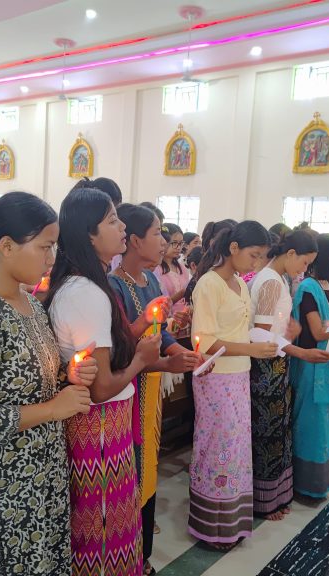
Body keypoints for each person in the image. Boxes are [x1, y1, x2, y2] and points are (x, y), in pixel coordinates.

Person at [0, 192, 97, 575]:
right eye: (45, 247)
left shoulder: (33, 306)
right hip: (3, 485)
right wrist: (52, 409)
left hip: (43, 471)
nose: (51, 258)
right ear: (7, 246)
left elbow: (30, 381)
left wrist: (67, 377)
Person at [46, 187, 161, 576]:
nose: (123, 225)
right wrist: (142, 361)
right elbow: (101, 386)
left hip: (105, 427)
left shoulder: (86, 286)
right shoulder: (85, 292)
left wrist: (141, 325)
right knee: (104, 531)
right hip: (98, 429)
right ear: (89, 235)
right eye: (112, 220)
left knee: (112, 527)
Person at [109, 204, 202, 575]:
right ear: (133, 241)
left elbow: (160, 331)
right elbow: (119, 343)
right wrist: (150, 330)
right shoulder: (114, 285)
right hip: (129, 385)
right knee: (132, 463)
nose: (163, 242)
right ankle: (129, 550)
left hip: (151, 388)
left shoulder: (150, 281)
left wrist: (180, 351)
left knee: (149, 462)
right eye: (157, 234)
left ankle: (142, 550)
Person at [189, 221, 278, 549]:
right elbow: (206, 342)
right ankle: (211, 526)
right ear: (234, 248)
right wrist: (253, 349)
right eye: (253, 255)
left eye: (261, 257)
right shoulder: (209, 284)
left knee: (237, 448)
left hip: (239, 374)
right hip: (215, 378)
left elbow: (241, 330)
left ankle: (232, 523)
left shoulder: (240, 283)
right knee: (218, 447)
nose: (256, 263)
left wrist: (263, 343)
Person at [249, 231, 329, 519]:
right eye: (305, 262)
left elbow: (270, 328)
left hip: (275, 361)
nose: (304, 270)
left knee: (276, 432)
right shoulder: (270, 280)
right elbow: (258, 333)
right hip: (265, 366)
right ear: (291, 253)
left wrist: (289, 332)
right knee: (266, 433)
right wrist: (301, 352)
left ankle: (274, 497)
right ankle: (263, 501)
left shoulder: (278, 278)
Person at [289, 233, 329, 499]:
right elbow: (320, 332)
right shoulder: (308, 287)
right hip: (311, 363)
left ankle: (322, 482)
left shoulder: (327, 285)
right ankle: (306, 484)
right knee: (312, 424)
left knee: (328, 423)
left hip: (327, 362)